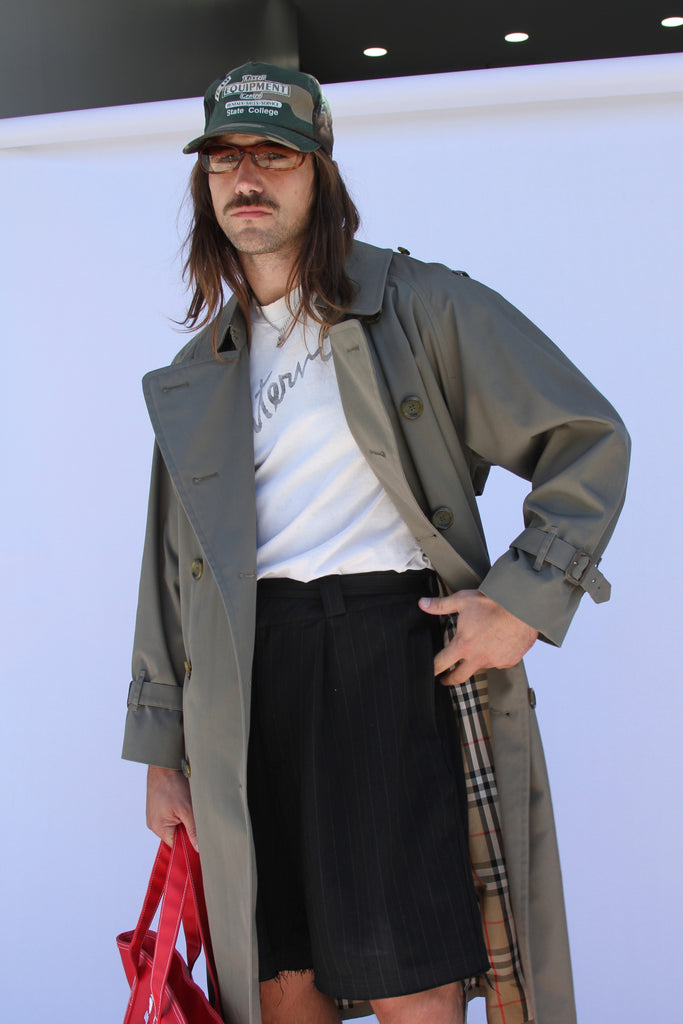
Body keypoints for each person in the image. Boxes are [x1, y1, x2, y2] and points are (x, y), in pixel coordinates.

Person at [123, 62, 630, 1024]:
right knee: (280, 982)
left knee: (411, 981)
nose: (246, 178)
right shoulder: (199, 370)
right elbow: (169, 571)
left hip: (384, 658)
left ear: (321, 171)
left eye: (273, 155)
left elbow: (586, 437)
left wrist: (520, 603)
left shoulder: (420, 305)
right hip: (244, 682)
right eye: (224, 158)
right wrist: (162, 750)